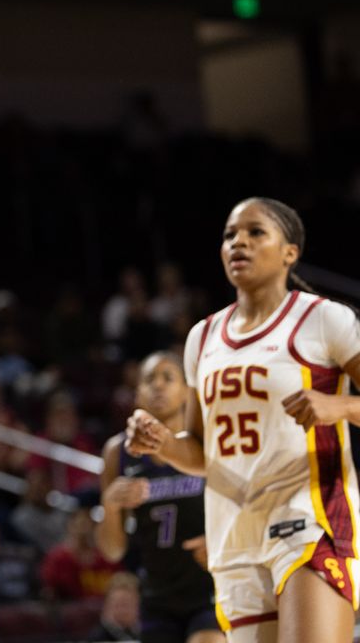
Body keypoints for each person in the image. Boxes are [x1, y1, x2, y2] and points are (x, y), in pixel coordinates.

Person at [127, 198, 360, 643]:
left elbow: (346, 406)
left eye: (256, 233)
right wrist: (161, 443)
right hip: (234, 537)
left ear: (290, 251)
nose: (239, 243)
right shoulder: (203, 336)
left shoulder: (324, 318)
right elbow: (201, 451)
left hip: (308, 524)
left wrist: (343, 408)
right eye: (230, 234)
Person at [97, 351, 221, 643]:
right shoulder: (118, 452)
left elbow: (247, 505)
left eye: (169, 377)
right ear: (138, 392)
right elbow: (112, 550)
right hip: (157, 596)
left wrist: (221, 542)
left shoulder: (209, 441)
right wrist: (111, 506)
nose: (158, 385)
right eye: (149, 379)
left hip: (211, 588)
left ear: (185, 392)